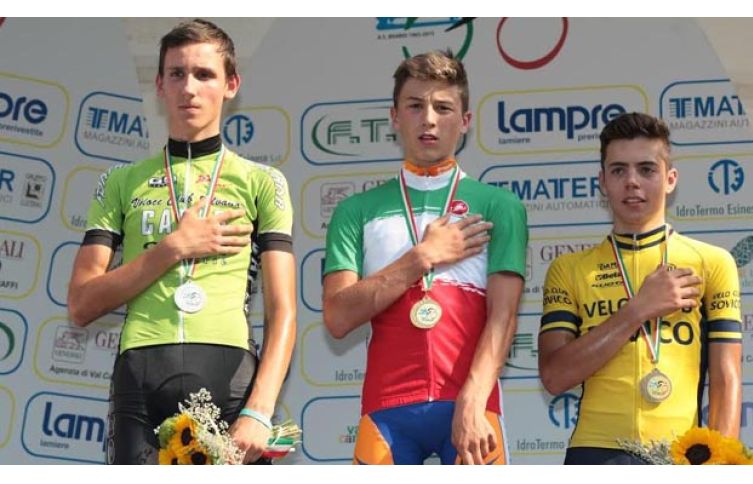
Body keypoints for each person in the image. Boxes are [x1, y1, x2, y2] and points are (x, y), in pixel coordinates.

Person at [67, 19, 296, 465]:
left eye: (204, 74)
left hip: (230, 383)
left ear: (231, 85)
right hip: (140, 384)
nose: (189, 88)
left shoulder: (262, 181)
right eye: (177, 73)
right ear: (159, 84)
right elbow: (81, 303)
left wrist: (260, 410)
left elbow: (283, 310)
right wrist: (173, 248)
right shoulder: (120, 182)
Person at [322, 50, 527, 465]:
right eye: (415, 106)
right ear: (394, 117)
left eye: (443, 108)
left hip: (471, 404)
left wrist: (472, 401)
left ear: (465, 121)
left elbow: (503, 317)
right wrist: (421, 257)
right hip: (386, 409)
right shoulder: (355, 211)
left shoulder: (499, 205)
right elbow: (338, 317)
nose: (428, 119)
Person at [538, 112, 743, 465]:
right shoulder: (569, 269)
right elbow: (555, 377)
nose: (632, 182)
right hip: (595, 453)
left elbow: (727, 377)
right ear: (602, 181)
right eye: (619, 171)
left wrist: (720, 462)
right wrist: (637, 310)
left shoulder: (712, 262)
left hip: (681, 451)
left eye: (646, 169)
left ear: (670, 179)